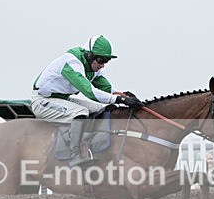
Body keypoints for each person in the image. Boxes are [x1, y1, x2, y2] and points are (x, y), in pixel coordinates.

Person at [31, 35, 143, 167]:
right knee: (81, 112)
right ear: (89, 55)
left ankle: (90, 146)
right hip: (42, 102)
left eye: (106, 61)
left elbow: (106, 88)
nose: (102, 65)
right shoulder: (71, 63)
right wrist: (120, 99)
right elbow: (90, 92)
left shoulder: (92, 67)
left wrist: (123, 95)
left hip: (61, 99)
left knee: (100, 109)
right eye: (101, 60)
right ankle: (75, 155)